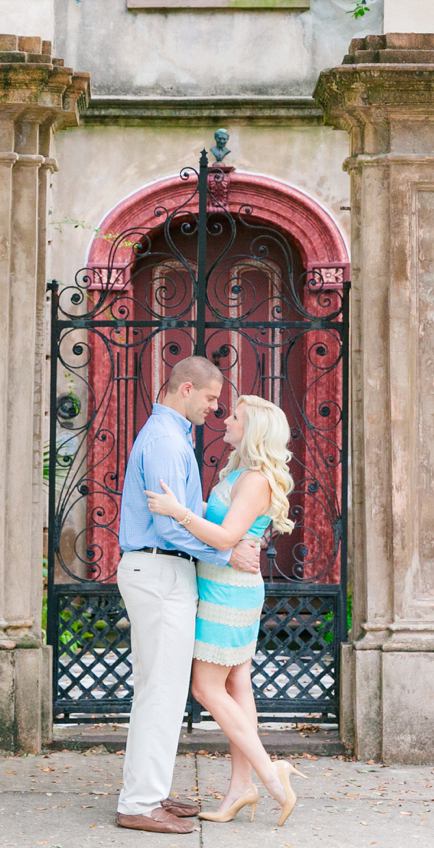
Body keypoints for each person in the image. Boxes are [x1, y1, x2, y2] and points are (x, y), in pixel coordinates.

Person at [113, 356, 264, 835]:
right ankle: (138, 803)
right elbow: (167, 525)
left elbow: (188, 512)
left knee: (163, 690)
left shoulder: (173, 437)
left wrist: (230, 539)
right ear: (185, 389)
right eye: (211, 398)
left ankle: (150, 793)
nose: (216, 410)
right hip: (158, 567)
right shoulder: (164, 439)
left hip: (167, 571)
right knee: (160, 692)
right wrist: (226, 556)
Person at [145, 394, 306, 827]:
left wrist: (178, 512)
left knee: (206, 688)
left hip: (229, 592)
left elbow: (225, 536)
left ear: (251, 430)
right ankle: (241, 787)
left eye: (235, 416)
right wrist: (194, 512)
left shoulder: (254, 479)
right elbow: (224, 527)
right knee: (237, 684)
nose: (226, 418)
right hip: (223, 584)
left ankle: (271, 775)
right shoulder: (237, 471)